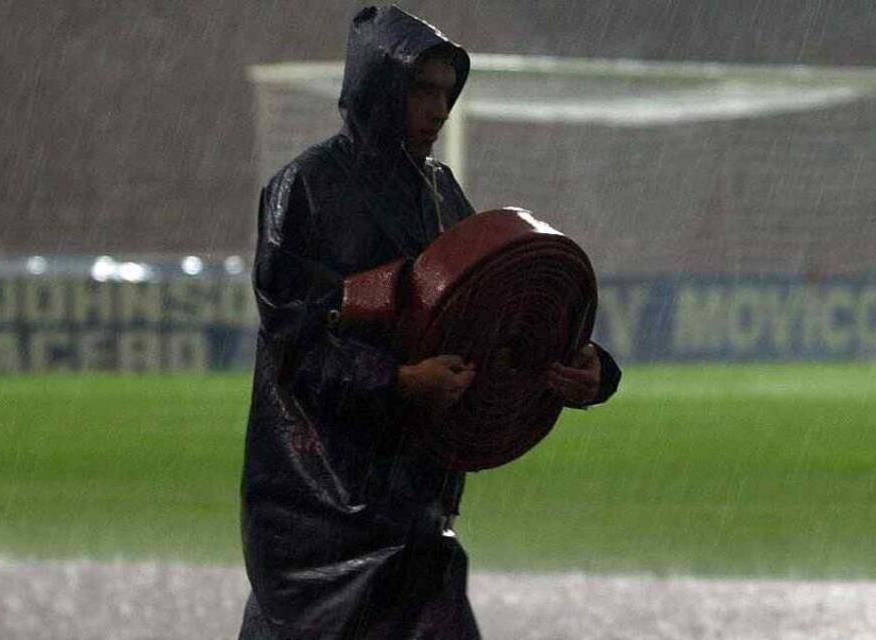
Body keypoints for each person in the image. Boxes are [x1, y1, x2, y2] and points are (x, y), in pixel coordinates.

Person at [238, 6, 622, 639]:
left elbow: (492, 315)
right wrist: (397, 382)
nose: (440, 108)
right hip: (315, 505)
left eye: (447, 92)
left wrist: (586, 369)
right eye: (423, 90)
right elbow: (295, 345)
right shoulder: (304, 190)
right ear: (377, 88)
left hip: (414, 503)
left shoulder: (441, 193)